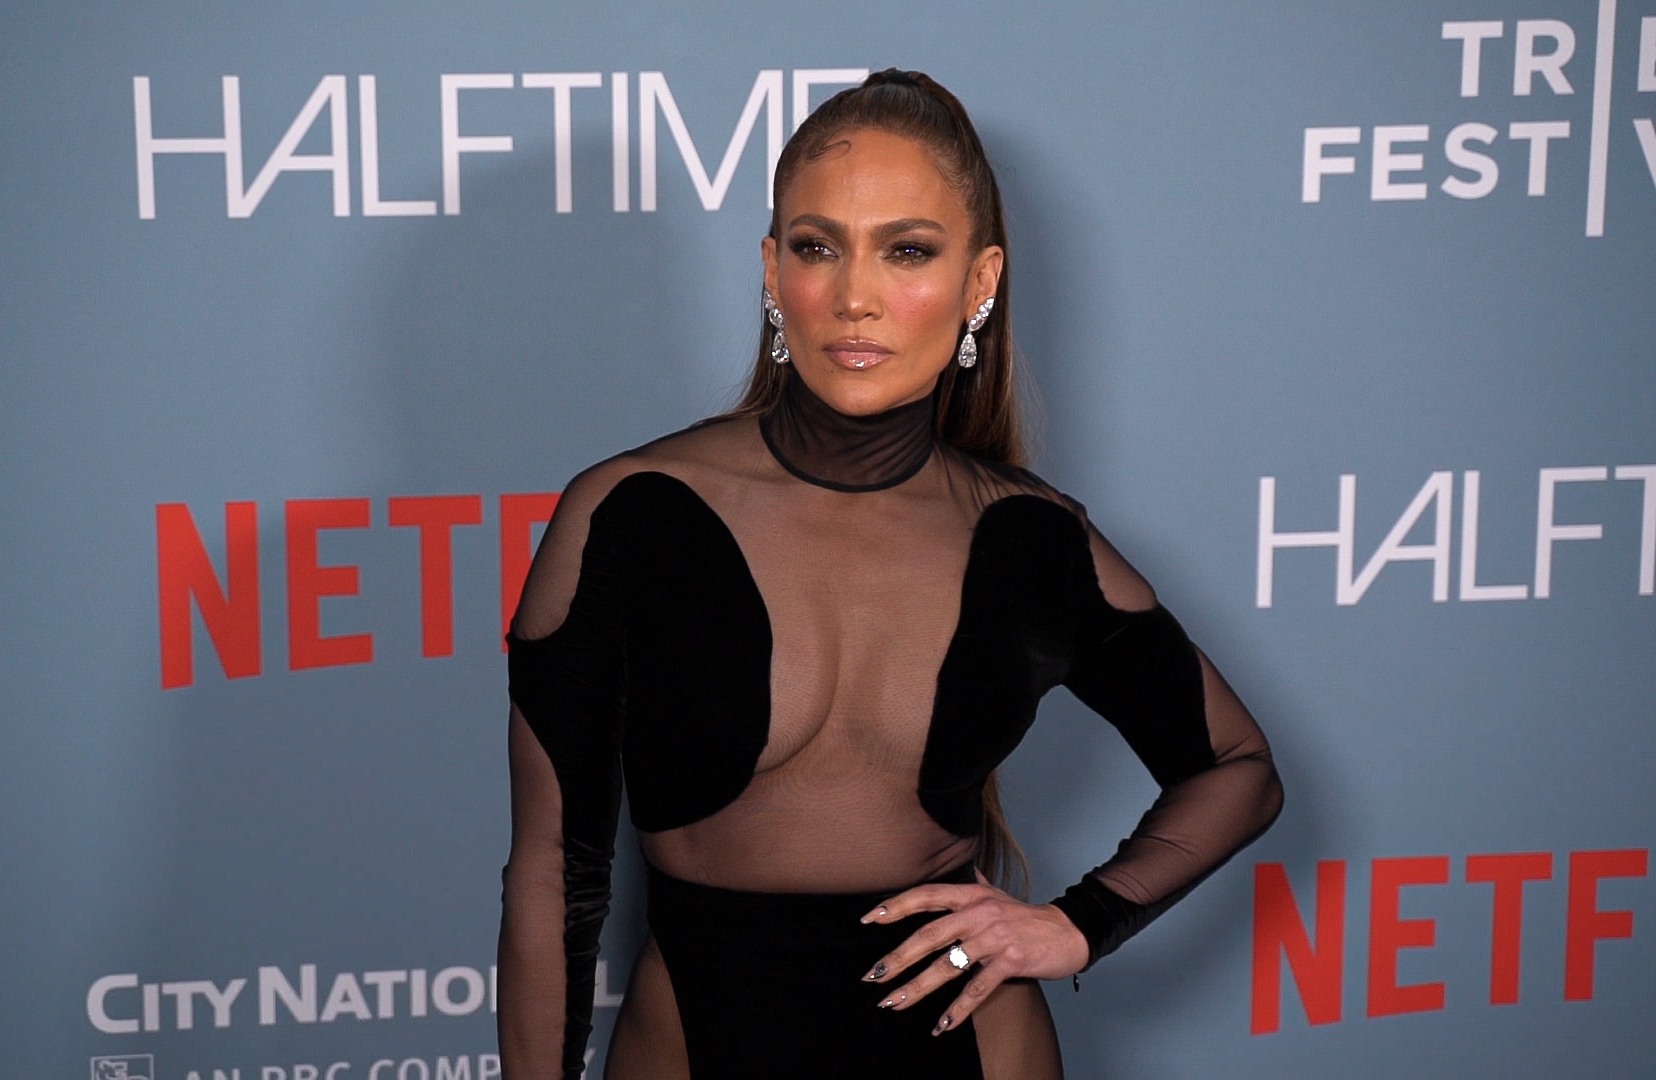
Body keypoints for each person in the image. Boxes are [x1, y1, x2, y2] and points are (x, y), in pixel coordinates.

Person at [497, 69, 1283, 1080]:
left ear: (981, 282)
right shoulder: (630, 513)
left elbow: (1238, 768)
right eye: (818, 247)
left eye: (907, 251)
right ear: (774, 274)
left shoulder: (1032, 539)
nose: (856, 296)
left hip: (976, 1051)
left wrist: (1080, 924)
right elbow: (554, 874)